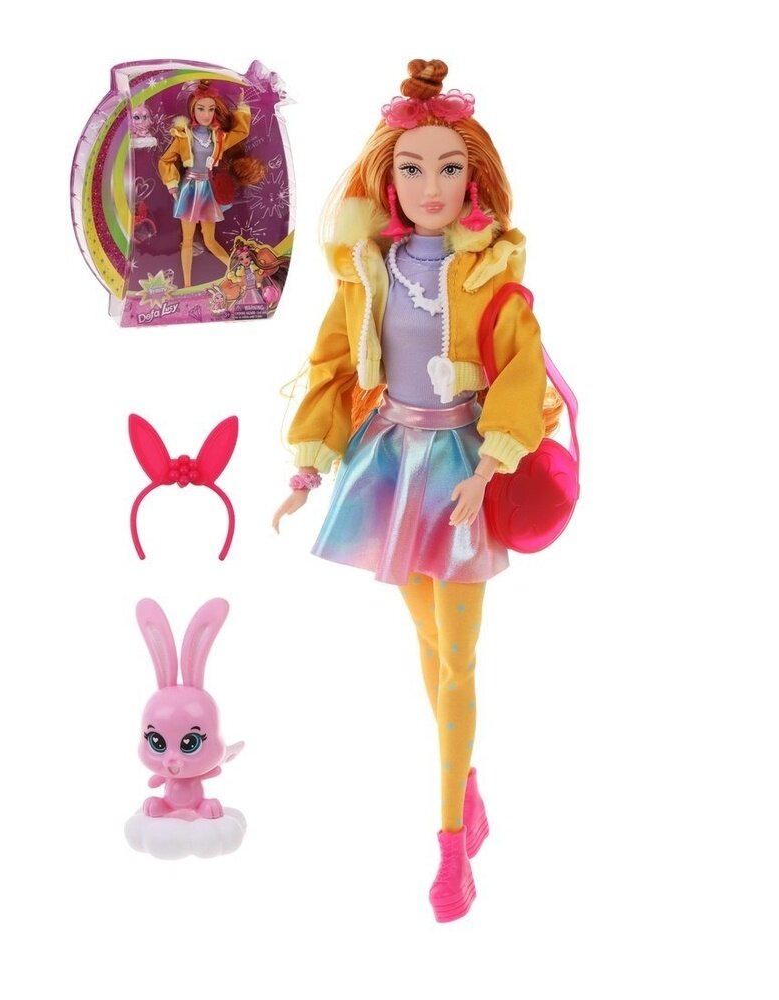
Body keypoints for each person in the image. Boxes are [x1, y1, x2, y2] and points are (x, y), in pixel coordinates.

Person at [274, 59, 552, 922]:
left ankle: (450, 845)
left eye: (449, 167)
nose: (431, 186)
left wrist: (489, 466)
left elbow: (523, 370)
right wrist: (308, 466)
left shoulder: (491, 276)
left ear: (473, 177)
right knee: (429, 642)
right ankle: (467, 791)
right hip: (392, 462)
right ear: (387, 178)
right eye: (412, 168)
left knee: (459, 655)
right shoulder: (370, 270)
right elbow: (330, 365)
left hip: (462, 465)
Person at [158, 82, 264, 287]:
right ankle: (187, 285)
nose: (206, 114)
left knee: (210, 240)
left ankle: (239, 274)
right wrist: (171, 184)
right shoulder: (183, 136)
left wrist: (242, 106)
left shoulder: (219, 137)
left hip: (207, 188)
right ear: (193, 110)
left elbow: (241, 132)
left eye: (211, 109)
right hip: (189, 188)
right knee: (187, 240)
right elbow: (165, 160)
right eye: (201, 109)